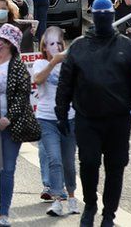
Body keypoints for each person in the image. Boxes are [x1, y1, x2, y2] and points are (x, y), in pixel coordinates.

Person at [55, 0, 131, 227]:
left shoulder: (125, 47)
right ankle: (90, 205)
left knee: (116, 167)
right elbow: (65, 83)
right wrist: (61, 113)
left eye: (106, 16)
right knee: (88, 163)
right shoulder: (78, 46)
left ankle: (109, 214)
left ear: (112, 17)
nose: (102, 20)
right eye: (99, 17)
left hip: (118, 119)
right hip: (87, 118)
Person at [0, 23, 37, 227]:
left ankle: (3, 213)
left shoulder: (18, 66)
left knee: (7, 169)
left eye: (1, 40)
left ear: (10, 44)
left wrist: (8, 118)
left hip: (10, 126)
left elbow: (23, 97)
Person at [32, 27, 79, 217]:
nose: (56, 47)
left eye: (59, 43)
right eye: (51, 43)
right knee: (55, 159)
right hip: (46, 119)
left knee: (68, 162)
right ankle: (58, 199)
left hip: (69, 119)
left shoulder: (71, 64)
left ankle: (73, 197)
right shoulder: (40, 63)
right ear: (44, 46)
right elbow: (38, 79)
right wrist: (53, 63)